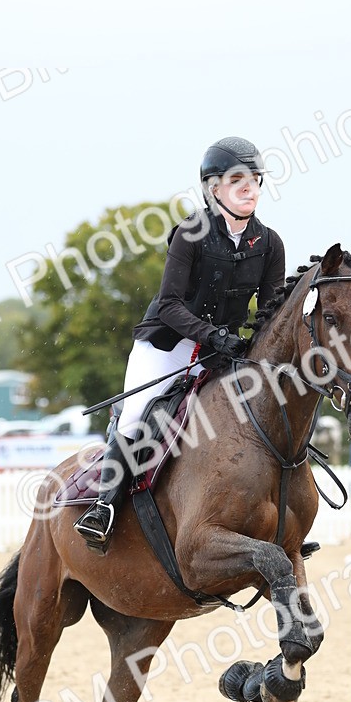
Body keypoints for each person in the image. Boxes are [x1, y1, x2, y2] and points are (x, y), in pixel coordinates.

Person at [74, 136, 286, 552]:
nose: (250, 188)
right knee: (137, 416)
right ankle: (104, 507)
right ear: (213, 188)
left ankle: (282, 518)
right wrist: (215, 335)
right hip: (165, 347)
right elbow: (170, 304)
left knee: (265, 414)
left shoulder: (269, 243)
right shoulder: (192, 234)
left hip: (219, 356)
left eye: (255, 179)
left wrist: (253, 346)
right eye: (238, 179)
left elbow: (271, 312)